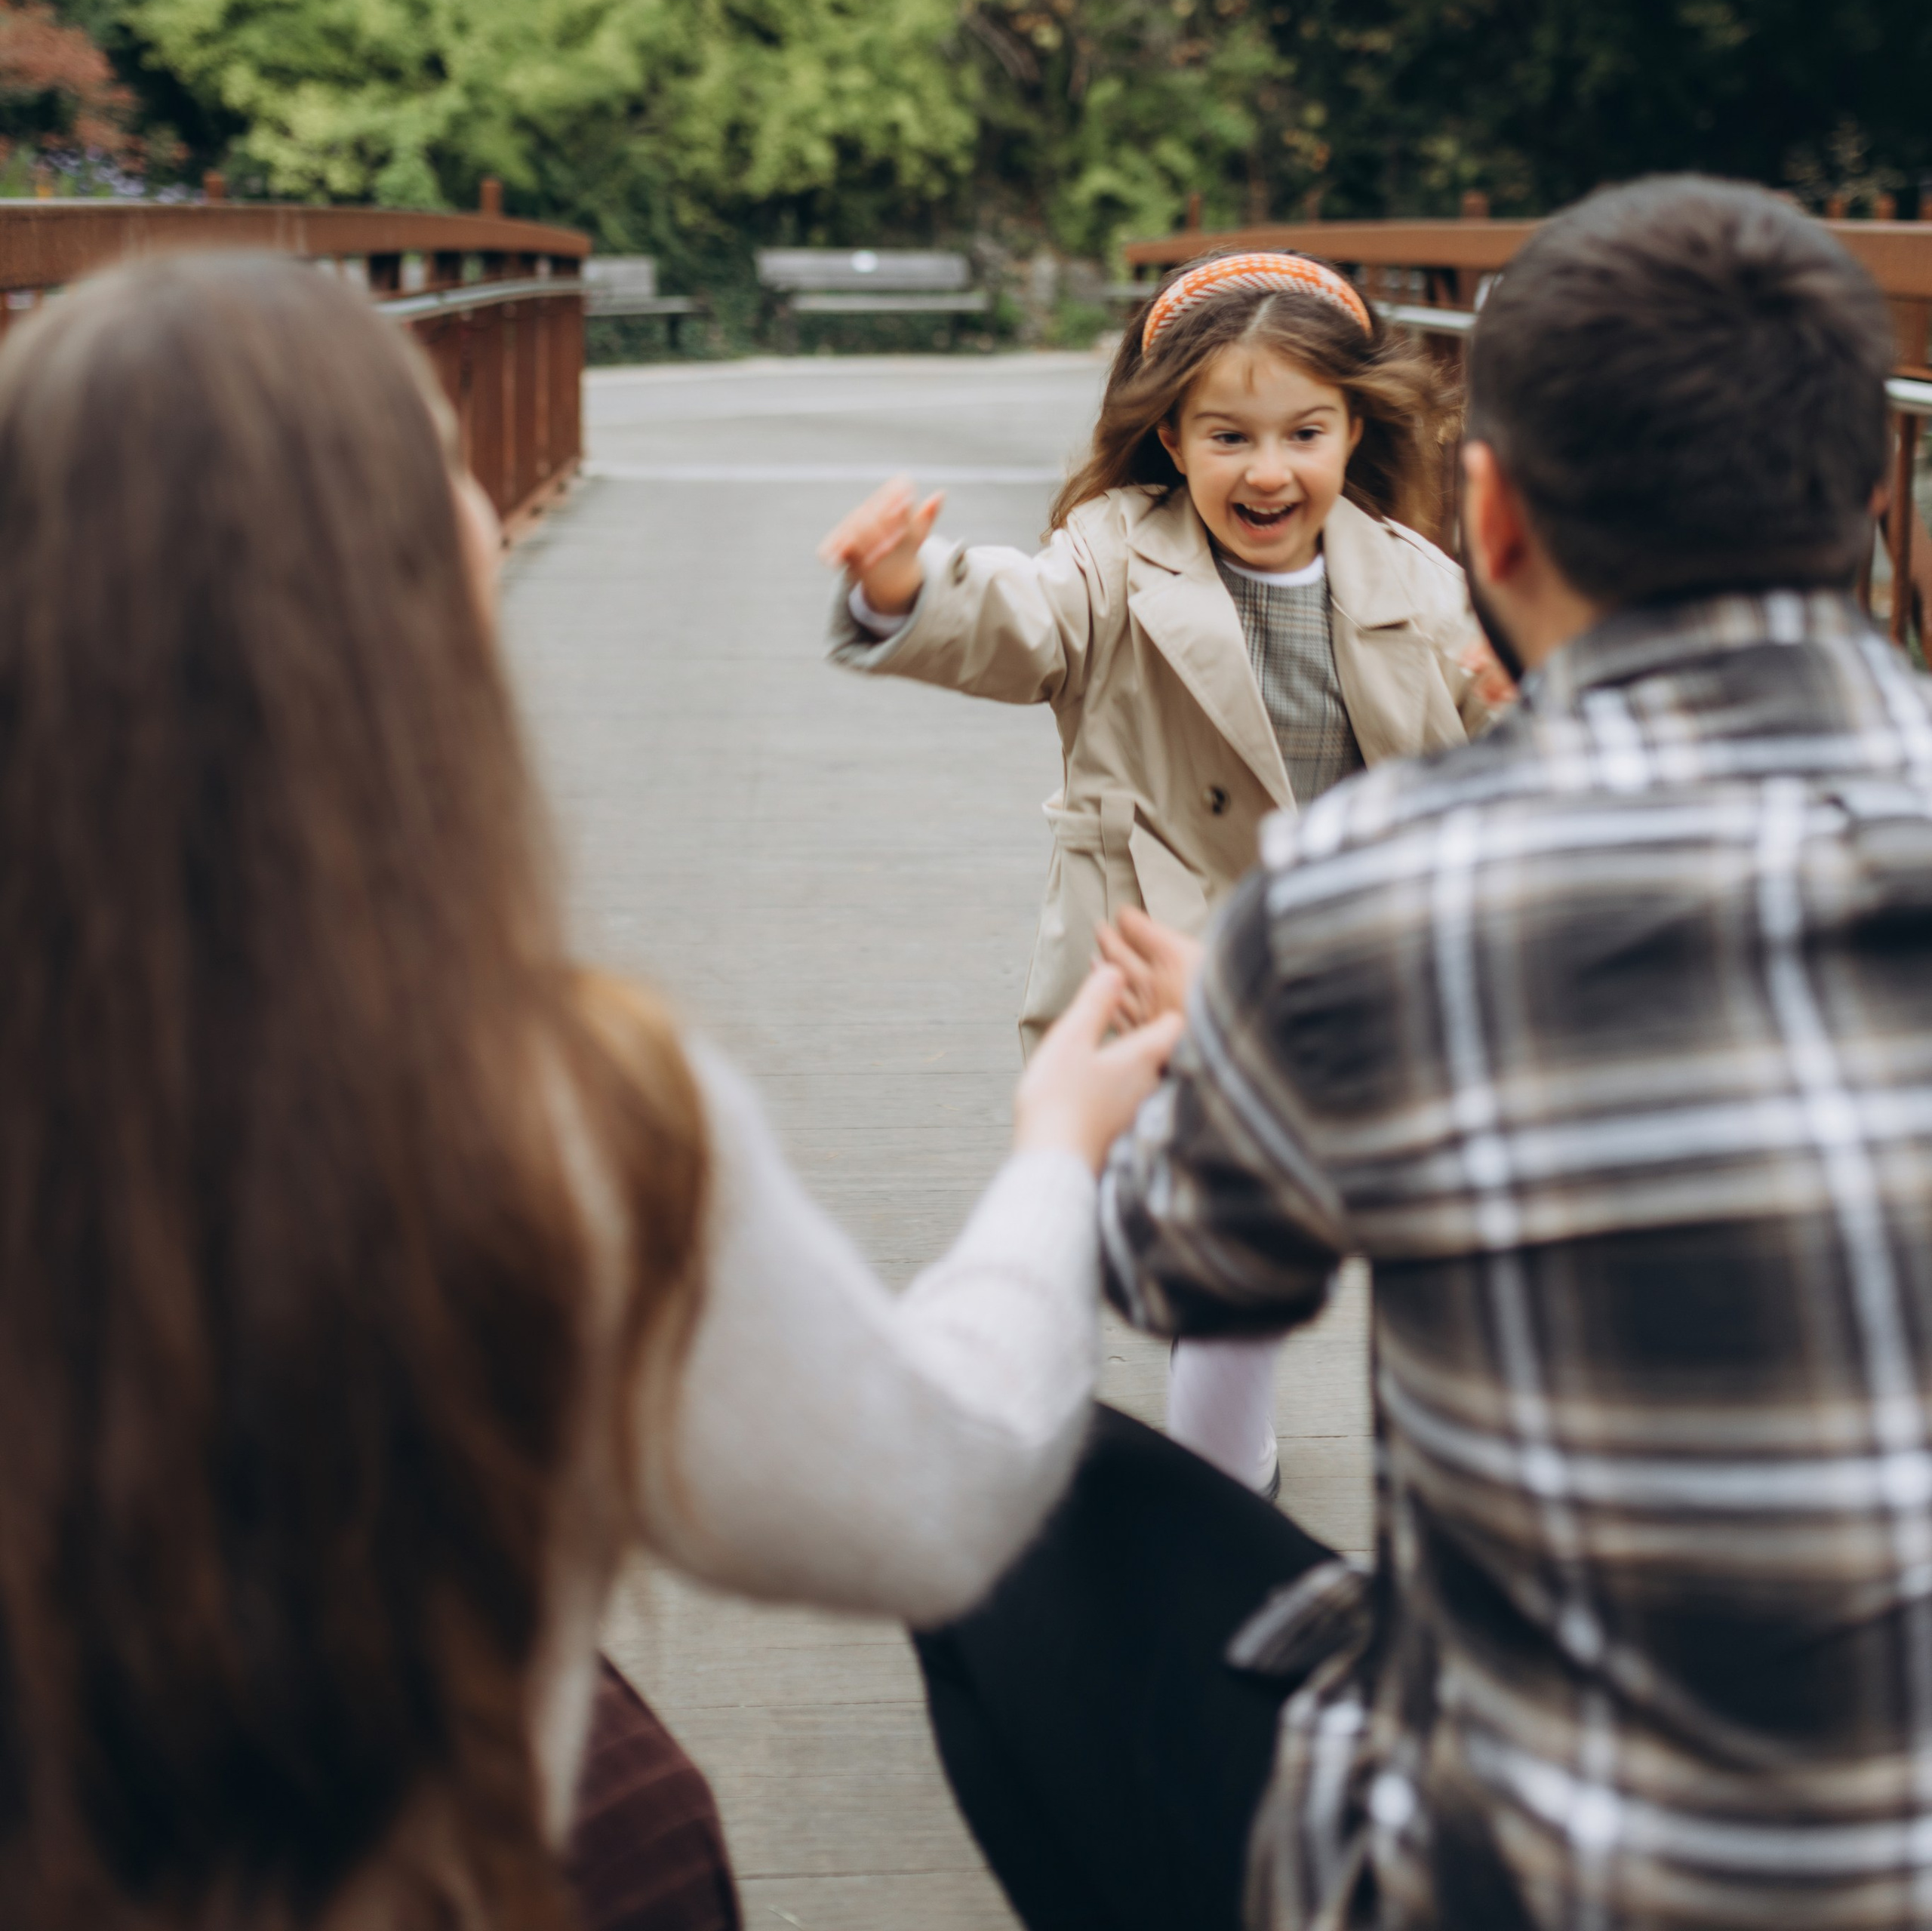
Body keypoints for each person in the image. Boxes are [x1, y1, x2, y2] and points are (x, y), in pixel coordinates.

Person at [0, 251, 1178, 1931]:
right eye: (457, 485)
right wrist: (1055, 1160)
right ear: (417, 589)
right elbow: (923, 1504)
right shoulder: (557, 1100)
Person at [914, 174, 1932, 1931]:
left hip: (1528, 1870)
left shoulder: (1377, 887)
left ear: (1490, 515)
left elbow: (1177, 1263)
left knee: (985, 1499)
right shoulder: (1131, 570)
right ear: (1869, 503)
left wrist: (1076, 1129)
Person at [820, 248, 1495, 1491]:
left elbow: (1501, 727)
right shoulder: (1114, 553)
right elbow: (1023, 620)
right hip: (1142, 949)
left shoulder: (1419, 583)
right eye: (1228, 435)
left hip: (1332, 973)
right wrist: (908, 592)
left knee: (1257, 1240)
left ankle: (1235, 1477)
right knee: (1181, 1225)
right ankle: (1146, 1458)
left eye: (1305, 431)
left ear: (1356, 429)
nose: (1269, 468)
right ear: (1171, 439)